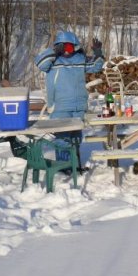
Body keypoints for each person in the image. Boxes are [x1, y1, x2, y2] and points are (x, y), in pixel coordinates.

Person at [34, 31, 104, 171]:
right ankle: (64, 167)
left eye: (69, 47)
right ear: (58, 46)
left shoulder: (80, 59)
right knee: (63, 138)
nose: (66, 50)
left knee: (76, 138)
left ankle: (75, 165)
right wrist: (54, 51)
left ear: (75, 46)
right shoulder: (52, 60)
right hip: (60, 107)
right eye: (63, 47)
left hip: (78, 106)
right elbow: (40, 63)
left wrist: (98, 51)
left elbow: (96, 66)